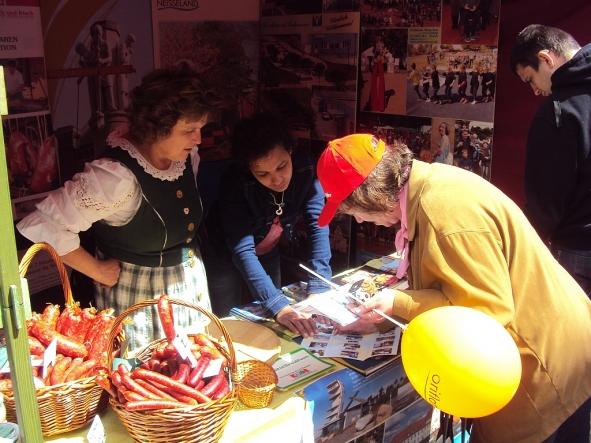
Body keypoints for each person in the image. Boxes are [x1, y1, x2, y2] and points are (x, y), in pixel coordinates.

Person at [315, 134, 591, 443]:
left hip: (542, 370)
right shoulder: (433, 184)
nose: (360, 220)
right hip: (559, 350)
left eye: (354, 211)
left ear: (371, 196)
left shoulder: (440, 211)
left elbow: (487, 313)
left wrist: (398, 302)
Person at [17, 66, 216, 349]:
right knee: (146, 377)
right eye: (189, 130)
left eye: (200, 128)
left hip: (188, 284)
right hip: (139, 295)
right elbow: (43, 223)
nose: (198, 138)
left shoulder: (186, 157)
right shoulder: (115, 178)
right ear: (157, 127)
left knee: (196, 371)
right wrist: (97, 270)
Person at [201, 112, 332, 337]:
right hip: (222, 252)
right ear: (248, 169)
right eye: (262, 173)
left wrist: (320, 284)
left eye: (282, 166)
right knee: (228, 322)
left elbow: (318, 223)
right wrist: (278, 306)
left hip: (267, 245)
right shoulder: (235, 183)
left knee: (274, 319)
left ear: (290, 151)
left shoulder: (305, 169)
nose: (277, 179)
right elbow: (242, 250)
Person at [510, 24, 591, 295]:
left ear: (546, 59)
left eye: (530, 79)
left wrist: (520, 246)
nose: (534, 90)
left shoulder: (558, 112)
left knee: (573, 333)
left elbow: (546, 201)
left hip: (578, 249)